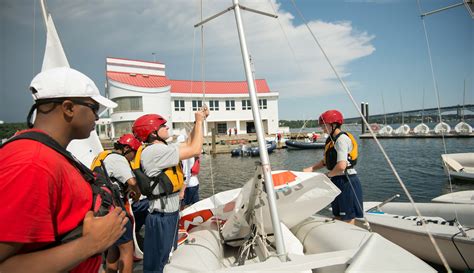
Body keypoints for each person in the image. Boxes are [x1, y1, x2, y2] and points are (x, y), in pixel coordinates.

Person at [0, 67, 128, 272]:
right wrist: (91, 244)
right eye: (93, 108)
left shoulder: (50, 155)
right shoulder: (32, 163)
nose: (97, 117)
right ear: (69, 108)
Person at [132, 107, 208, 273]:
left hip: (169, 214)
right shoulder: (155, 151)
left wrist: (197, 122)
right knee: (158, 264)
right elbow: (195, 149)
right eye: (162, 126)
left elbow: (189, 143)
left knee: (167, 259)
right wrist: (200, 122)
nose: (167, 127)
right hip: (162, 217)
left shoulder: (161, 148)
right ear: (152, 133)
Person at [91, 134, 142, 273]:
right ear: (126, 148)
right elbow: (132, 182)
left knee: (114, 248)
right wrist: (137, 195)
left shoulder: (103, 155)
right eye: (134, 152)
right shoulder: (118, 159)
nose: (134, 156)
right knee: (127, 249)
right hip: (114, 209)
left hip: (102, 207)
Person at [303, 110, 363, 225]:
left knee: (347, 218)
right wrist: (311, 168)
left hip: (346, 180)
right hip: (337, 179)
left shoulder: (341, 140)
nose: (323, 129)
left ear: (333, 125)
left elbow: (341, 166)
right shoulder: (331, 140)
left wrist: (327, 175)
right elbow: (326, 161)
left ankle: (348, 239)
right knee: (338, 215)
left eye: (324, 126)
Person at [177, 134, 201, 209]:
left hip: (187, 185)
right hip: (195, 182)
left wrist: (182, 191)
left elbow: (186, 173)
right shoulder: (192, 153)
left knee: (183, 206)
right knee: (196, 205)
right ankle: (199, 219)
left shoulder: (184, 156)